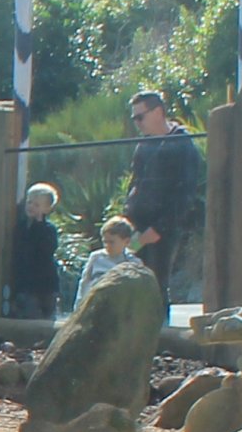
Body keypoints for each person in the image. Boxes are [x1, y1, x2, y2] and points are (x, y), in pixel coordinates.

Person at [120, 90, 207, 299]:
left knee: (156, 286)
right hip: (137, 227)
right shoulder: (144, 144)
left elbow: (185, 195)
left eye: (140, 117)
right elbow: (136, 183)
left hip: (161, 231)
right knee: (132, 285)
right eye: (134, 119)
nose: (137, 123)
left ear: (158, 112)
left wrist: (159, 229)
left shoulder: (182, 144)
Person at [7, 182, 63, 317]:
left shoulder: (48, 229)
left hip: (46, 283)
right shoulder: (21, 227)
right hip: (27, 283)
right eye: (29, 202)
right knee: (29, 313)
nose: (31, 206)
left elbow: (47, 250)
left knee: (47, 315)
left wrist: (39, 224)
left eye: (36, 205)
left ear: (47, 209)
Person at [75, 214, 137, 308]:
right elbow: (84, 282)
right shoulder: (96, 257)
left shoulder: (132, 263)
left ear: (126, 242)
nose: (107, 246)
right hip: (95, 305)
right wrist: (79, 306)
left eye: (111, 242)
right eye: (105, 242)